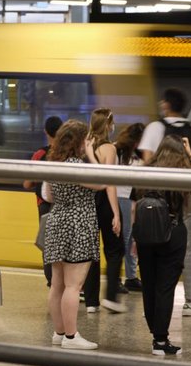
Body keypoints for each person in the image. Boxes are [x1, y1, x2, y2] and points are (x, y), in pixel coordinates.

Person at [138, 88, 191, 317]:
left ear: (166, 105)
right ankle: (189, 302)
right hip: (186, 198)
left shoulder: (155, 128)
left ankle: (155, 297)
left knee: (155, 243)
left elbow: (148, 162)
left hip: (159, 199)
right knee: (190, 250)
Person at [132, 136, 191, 356]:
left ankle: (156, 332)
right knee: (165, 287)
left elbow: (135, 206)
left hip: (145, 234)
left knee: (150, 284)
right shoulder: (181, 173)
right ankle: (160, 340)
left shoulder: (146, 170)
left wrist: (135, 237)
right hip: (173, 234)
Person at [42, 120, 106, 350]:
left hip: (57, 220)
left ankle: (59, 333)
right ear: (80, 141)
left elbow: (48, 195)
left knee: (57, 284)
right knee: (74, 285)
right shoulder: (76, 165)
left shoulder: (53, 163)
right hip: (78, 223)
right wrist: (91, 153)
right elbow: (102, 183)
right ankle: (71, 337)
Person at [82, 108, 125, 314]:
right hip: (105, 202)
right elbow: (109, 183)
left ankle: (91, 302)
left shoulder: (85, 145)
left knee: (92, 252)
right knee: (115, 250)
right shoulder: (109, 148)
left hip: (88, 201)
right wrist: (116, 213)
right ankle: (111, 297)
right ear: (108, 125)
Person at [23, 115, 63, 287]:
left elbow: (27, 183)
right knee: (63, 241)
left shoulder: (40, 154)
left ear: (46, 131)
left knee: (47, 244)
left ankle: (52, 281)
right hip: (65, 205)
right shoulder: (68, 154)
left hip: (44, 206)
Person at [115, 123, 145, 291]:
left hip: (133, 199)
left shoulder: (137, 155)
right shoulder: (117, 151)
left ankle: (131, 277)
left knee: (132, 239)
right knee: (123, 239)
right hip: (121, 198)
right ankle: (117, 278)